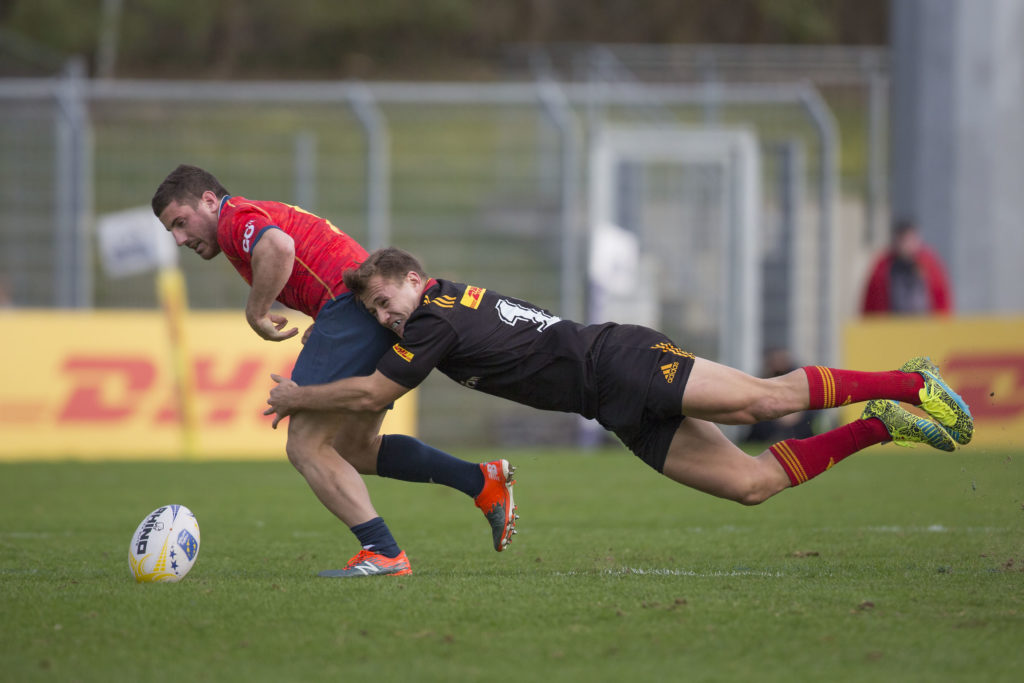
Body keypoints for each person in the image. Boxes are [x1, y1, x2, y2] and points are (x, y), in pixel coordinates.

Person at [263, 247, 974, 524]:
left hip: (620, 360)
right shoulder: (441, 301)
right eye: (380, 311)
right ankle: (884, 422)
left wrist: (295, 396)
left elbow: (368, 397)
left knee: (764, 399)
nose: (389, 316)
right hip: (607, 401)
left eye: (391, 300)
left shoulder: (434, 322)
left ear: (418, 279)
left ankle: (912, 380)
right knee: (751, 486)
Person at [151, 166, 518, 578]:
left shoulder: (235, 218)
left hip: (352, 310)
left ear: (208, 201)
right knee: (353, 447)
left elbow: (279, 248)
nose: (181, 238)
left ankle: (382, 551)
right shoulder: (247, 214)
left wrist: (256, 312)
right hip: (360, 309)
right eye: (172, 232)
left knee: (305, 445)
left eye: (180, 223)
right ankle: (480, 482)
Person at [862, 218, 953, 314]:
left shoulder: (930, 265)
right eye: (902, 240)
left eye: (909, 240)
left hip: (925, 326)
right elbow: (871, 303)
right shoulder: (883, 267)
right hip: (892, 326)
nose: (906, 245)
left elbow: (941, 298)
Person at [740, 348, 817, 444]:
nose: (778, 364)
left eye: (781, 360)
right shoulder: (762, 383)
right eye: (775, 360)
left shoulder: (798, 383)